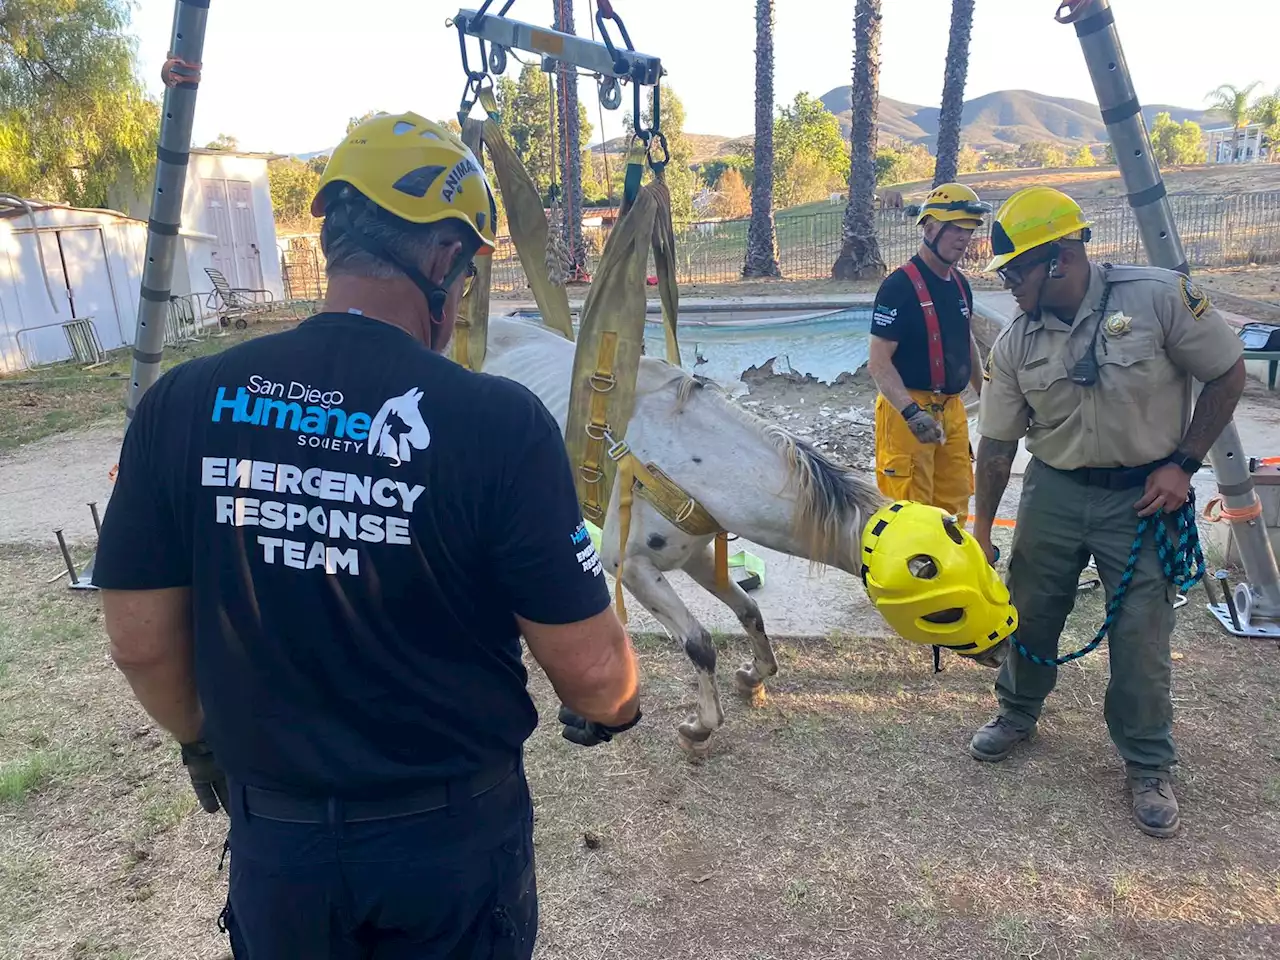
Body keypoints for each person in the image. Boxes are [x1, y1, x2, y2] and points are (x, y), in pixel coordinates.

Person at [92, 111, 642, 958]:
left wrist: (199, 737)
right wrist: (620, 707)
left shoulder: (184, 402)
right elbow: (596, 674)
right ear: (440, 259)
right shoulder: (497, 425)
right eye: (463, 278)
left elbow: (136, 641)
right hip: (448, 852)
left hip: (280, 850)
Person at [971, 185, 1246, 839]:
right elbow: (999, 445)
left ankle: (1148, 764)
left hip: (1144, 496)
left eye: (1015, 270)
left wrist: (1183, 461)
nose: (1007, 283)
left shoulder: (1157, 297)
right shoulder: (1014, 343)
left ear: (1060, 258)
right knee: (1031, 610)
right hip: (1055, 490)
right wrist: (981, 530)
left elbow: (1228, 370)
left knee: (1141, 635)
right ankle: (1016, 712)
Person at [867, 182, 992, 522]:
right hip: (907, 409)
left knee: (954, 507)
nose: (964, 238)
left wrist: (987, 395)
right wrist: (911, 413)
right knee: (910, 514)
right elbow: (878, 363)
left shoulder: (960, 284)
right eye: (956, 229)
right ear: (931, 227)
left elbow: (966, 344)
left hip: (952, 410)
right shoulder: (899, 287)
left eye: (969, 230)